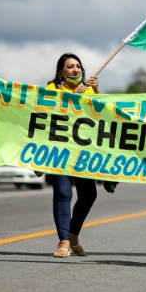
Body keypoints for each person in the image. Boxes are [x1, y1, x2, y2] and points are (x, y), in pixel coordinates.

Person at [45, 53, 102, 258]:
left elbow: (103, 116)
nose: (75, 70)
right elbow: (48, 113)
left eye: (78, 66)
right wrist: (71, 99)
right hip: (59, 151)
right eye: (70, 67)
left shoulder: (89, 91)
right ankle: (64, 241)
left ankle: (73, 234)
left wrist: (97, 91)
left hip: (83, 152)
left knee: (89, 194)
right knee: (63, 193)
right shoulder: (52, 89)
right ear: (61, 71)